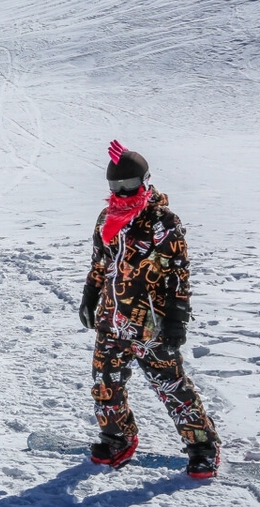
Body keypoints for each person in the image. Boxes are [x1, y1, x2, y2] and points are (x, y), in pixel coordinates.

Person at [78, 140, 221, 478]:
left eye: (128, 185)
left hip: (150, 323)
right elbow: (101, 262)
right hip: (111, 320)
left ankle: (203, 446)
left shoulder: (162, 221)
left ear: (144, 181)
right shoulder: (107, 218)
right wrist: (90, 294)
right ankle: (117, 437)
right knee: (104, 382)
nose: (122, 192)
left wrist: (176, 319)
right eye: (115, 186)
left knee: (170, 385)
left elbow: (177, 274)